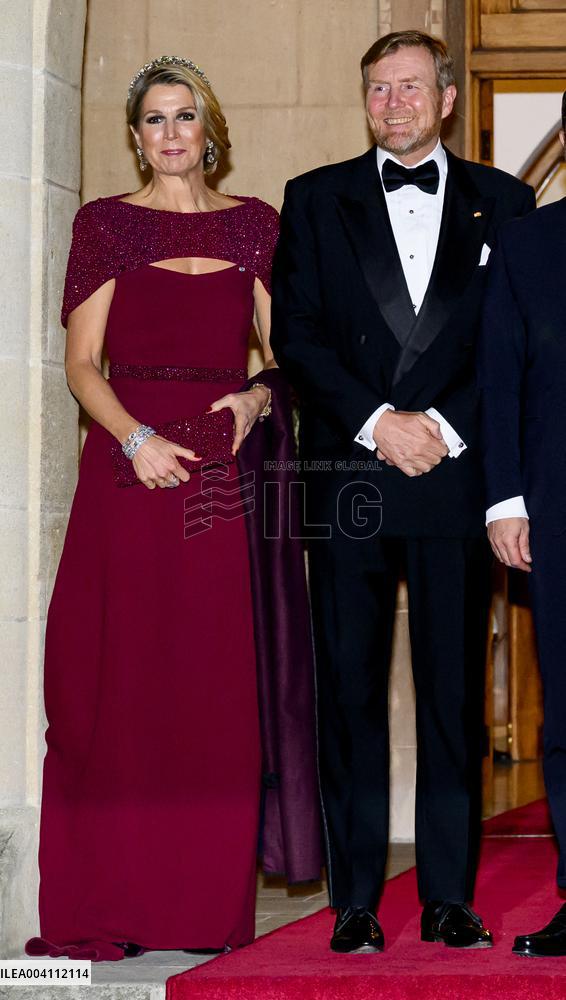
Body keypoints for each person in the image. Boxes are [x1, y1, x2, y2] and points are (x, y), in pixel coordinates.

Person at [25, 55, 320, 962]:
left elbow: (286, 353)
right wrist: (134, 440)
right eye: (153, 119)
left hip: (219, 477)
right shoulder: (105, 224)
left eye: (184, 115)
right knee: (118, 679)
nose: (170, 133)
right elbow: (82, 364)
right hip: (131, 474)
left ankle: (202, 911)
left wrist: (256, 399)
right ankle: (108, 899)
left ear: (209, 129)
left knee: (211, 684)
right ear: (136, 135)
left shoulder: (256, 225)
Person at [271, 29, 535, 954]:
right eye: (379, 89)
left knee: (453, 696)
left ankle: (450, 897)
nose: (393, 103)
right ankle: (353, 902)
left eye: (411, 86)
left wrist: (446, 429)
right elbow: (296, 336)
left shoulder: (507, 201)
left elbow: (512, 341)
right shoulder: (313, 199)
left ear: (447, 98)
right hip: (351, 471)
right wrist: (379, 421)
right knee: (347, 691)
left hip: (454, 476)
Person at [478, 94, 566, 959]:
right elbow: (499, 377)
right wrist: (505, 499)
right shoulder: (526, 242)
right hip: (558, 506)